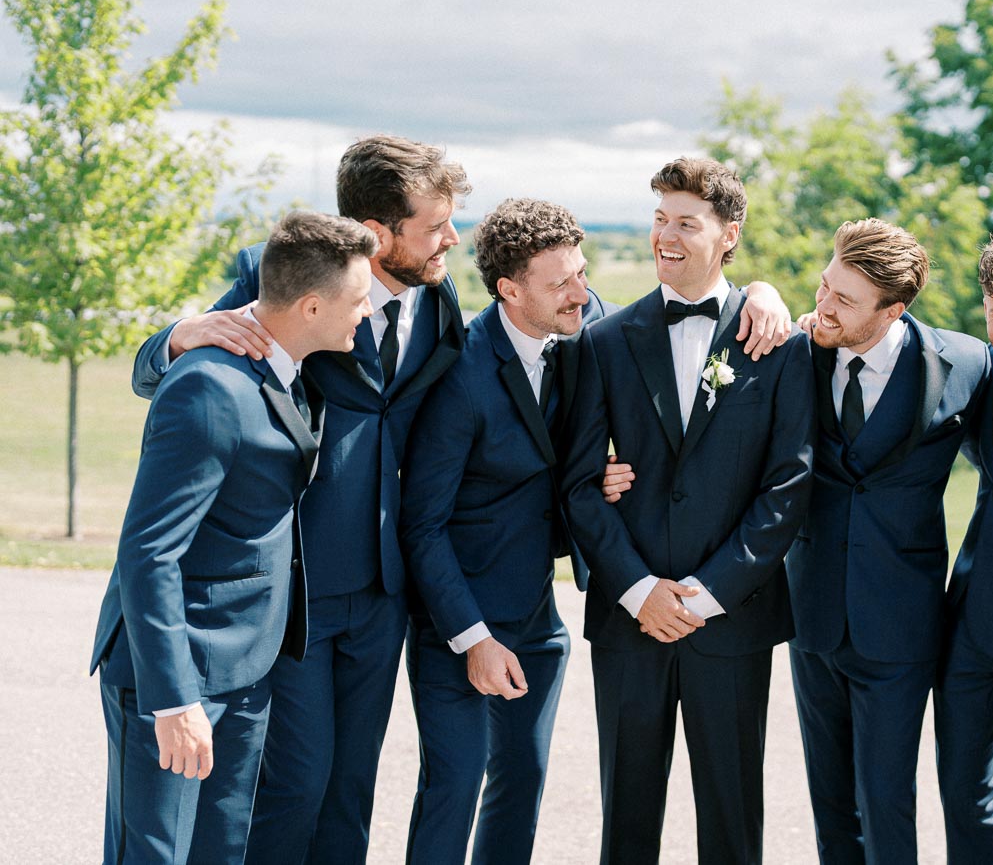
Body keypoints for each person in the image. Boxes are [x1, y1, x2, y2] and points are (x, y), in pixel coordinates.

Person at [132, 135, 471, 864]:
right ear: (379, 233)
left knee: (351, 788)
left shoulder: (439, 297)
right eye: (437, 225)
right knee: (295, 785)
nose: (452, 239)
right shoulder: (287, 273)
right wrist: (177, 336)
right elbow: (180, 373)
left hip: (383, 592)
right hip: (298, 591)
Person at [91, 212, 376, 865]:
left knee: (219, 853)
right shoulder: (208, 387)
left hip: (248, 667)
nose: (367, 312)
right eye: (359, 299)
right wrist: (173, 700)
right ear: (310, 306)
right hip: (177, 672)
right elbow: (149, 552)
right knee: (156, 856)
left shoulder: (292, 364)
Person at [562, 157, 814, 865]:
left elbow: (788, 486)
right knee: (626, 825)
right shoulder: (604, 342)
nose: (666, 237)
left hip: (731, 621)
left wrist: (705, 596)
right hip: (630, 620)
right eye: (659, 220)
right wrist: (639, 590)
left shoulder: (777, 344)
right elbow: (579, 485)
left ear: (729, 235)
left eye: (686, 223)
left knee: (733, 827)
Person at [398, 198, 615, 864]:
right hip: (457, 623)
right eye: (561, 283)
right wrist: (474, 639)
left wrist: (759, 293)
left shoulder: (582, 321)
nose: (580, 293)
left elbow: (648, 321)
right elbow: (422, 525)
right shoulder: (458, 375)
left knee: (522, 782)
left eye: (581, 273)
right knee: (455, 785)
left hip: (537, 619)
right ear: (509, 291)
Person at [787, 218, 989, 864]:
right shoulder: (795, 353)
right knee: (829, 803)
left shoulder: (967, 364)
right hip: (812, 613)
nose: (824, 305)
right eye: (824, 286)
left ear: (892, 310)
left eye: (844, 300)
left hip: (900, 623)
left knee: (886, 800)